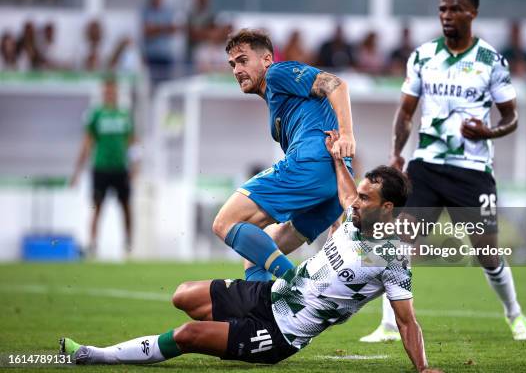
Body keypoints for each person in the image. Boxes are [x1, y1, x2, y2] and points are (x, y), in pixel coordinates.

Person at [59, 132, 442, 373]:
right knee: (183, 296)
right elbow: (345, 191)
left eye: (366, 199)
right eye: (358, 195)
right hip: (270, 295)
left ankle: (94, 355)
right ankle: (240, 303)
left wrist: (423, 368)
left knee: (189, 334)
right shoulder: (353, 213)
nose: (355, 203)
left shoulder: (392, 257)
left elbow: (406, 321)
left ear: (387, 208)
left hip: (280, 332)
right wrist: (336, 159)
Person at [361, 0, 526, 343]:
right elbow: (406, 111)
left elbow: (511, 117)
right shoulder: (423, 56)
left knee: (487, 251)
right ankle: (390, 326)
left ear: (472, 13)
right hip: (425, 165)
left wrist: (488, 132)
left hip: (471, 171)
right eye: (442, 9)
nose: (446, 15)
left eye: (455, 9)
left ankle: (514, 314)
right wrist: (397, 152)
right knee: (399, 238)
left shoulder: (490, 60)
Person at [212, 28, 356, 282]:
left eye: (243, 60)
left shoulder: (278, 73)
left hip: (311, 163)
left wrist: (346, 134)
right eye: (233, 64)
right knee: (256, 253)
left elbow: (336, 84)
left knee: (224, 223)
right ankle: (262, 318)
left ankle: (297, 286)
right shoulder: (280, 102)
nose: (236, 70)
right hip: (332, 179)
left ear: (267, 59)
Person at [70, 78, 137, 257]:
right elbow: (87, 142)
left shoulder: (124, 115)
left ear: (116, 92)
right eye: (107, 91)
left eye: (112, 90)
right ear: (103, 93)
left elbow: (131, 142)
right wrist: (77, 171)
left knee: (126, 207)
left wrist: (135, 166)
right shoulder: (96, 115)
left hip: (120, 168)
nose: (109, 94)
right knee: (97, 207)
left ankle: (128, 244)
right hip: (101, 167)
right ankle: (92, 244)